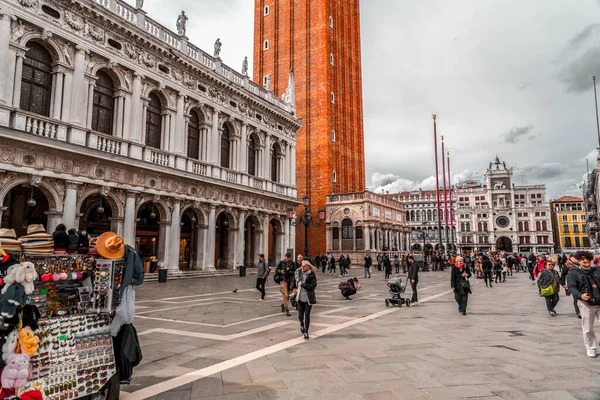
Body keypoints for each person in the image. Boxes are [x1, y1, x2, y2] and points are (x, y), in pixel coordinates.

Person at [567, 251, 600, 357]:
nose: (587, 264)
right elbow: (571, 287)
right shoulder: (573, 272)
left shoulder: (597, 270)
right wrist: (580, 295)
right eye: (584, 262)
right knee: (588, 327)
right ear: (579, 261)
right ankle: (591, 347)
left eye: (589, 262)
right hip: (586, 303)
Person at [295, 260, 317, 340]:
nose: (302, 268)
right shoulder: (299, 273)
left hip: (308, 298)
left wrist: (304, 285)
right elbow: (295, 282)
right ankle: (301, 324)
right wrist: (293, 288)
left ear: (308, 267)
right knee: (300, 316)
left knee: (307, 315)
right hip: (300, 297)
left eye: (304, 266)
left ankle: (306, 332)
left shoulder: (311, 275)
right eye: (302, 266)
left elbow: (313, 286)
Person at [561, 254, 581, 318]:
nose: (576, 259)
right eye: (574, 258)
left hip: (582, 284)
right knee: (576, 299)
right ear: (571, 258)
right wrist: (563, 284)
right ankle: (578, 312)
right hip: (573, 285)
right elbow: (563, 275)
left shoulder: (580, 264)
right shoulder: (567, 265)